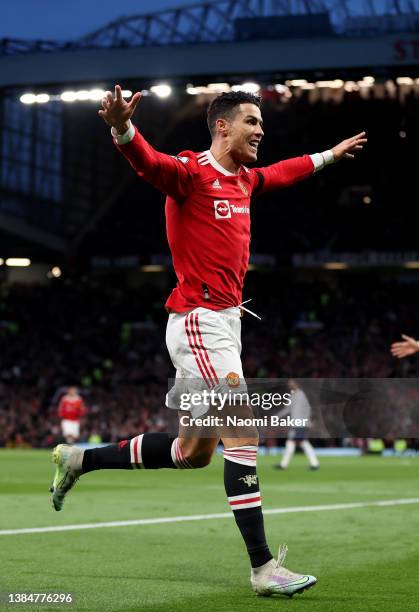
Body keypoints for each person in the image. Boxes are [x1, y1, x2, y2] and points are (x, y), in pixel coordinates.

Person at [50, 85, 366, 597]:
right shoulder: (191, 173)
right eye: (251, 120)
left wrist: (329, 154)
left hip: (226, 325)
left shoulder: (244, 181)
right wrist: (121, 128)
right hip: (199, 321)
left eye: (261, 121)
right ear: (222, 126)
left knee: (193, 452)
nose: (260, 129)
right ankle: (264, 568)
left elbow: (286, 172)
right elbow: (148, 162)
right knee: (243, 430)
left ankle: (78, 459)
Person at [274, 379, 319, 470]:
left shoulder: (301, 395)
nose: (289, 384)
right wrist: (277, 416)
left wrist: (307, 422)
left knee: (292, 442)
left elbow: (307, 409)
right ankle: (314, 463)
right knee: (302, 443)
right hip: (296, 423)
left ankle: (284, 464)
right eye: (289, 383)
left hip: (300, 423)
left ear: (296, 384)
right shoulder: (292, 395)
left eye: (291, 383)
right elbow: (287, 409)